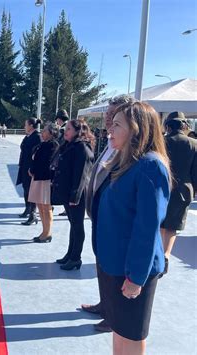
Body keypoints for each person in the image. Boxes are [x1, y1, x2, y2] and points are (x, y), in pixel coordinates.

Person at [96, 101, 171, 354]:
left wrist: (136, 277)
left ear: (136, 129)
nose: (110, 130)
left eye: (117, 125)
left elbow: (147, 229)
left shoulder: (150, 166)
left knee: (130, 336)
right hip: (115, 264)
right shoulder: (125, 161)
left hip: (132, 270)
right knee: (120, 331)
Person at [81, 95, 135, 332]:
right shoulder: (109, 141)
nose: (107, 119)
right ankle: (105, 305)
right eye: (107, 115)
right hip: (100, 218)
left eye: (113, 116)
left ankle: (114, 316)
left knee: (113, 268)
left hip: (113, 221)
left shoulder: (127, 151)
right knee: (102, 263)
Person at [51, 118, 94, 270]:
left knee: (77, 226)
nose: (65, 131)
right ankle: (70, 254)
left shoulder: (82, 147)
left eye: (69, 129)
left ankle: (76, 257)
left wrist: (75, 196)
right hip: (68, 192)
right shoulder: (70, 146)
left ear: (78, 131)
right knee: (72, 224)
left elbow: (82, 174)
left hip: (77, 194)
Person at [160, 111, 197, 275]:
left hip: (161, 187)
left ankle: (158, 253)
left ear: (167, 125)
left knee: (159, 223)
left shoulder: (160, 142)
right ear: (184, 125)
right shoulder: (193, 144)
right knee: (172, 227)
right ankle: (166, 255)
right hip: (183, 189)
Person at [29, 123, 59, 242]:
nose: (42, 132)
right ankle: (44, 231)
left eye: (45, 130)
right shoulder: (43, 144)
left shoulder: (53, 145)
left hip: (45, 179)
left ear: (51, 133)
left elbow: (48, 163)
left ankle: (48, 233)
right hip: (38, 178)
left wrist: (34, 170)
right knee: (40, 205)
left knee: (46, 207)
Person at [16, 118, 41, 225]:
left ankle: (33, 213)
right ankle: (27, 209)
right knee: (26, 189)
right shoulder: (28, 136)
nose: (24, 127)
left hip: (31, 168)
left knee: (31, 191)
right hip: (24, 167)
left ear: (31, 126)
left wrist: (33, 167)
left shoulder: (37, 137)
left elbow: (38, 155)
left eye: (26, 125)